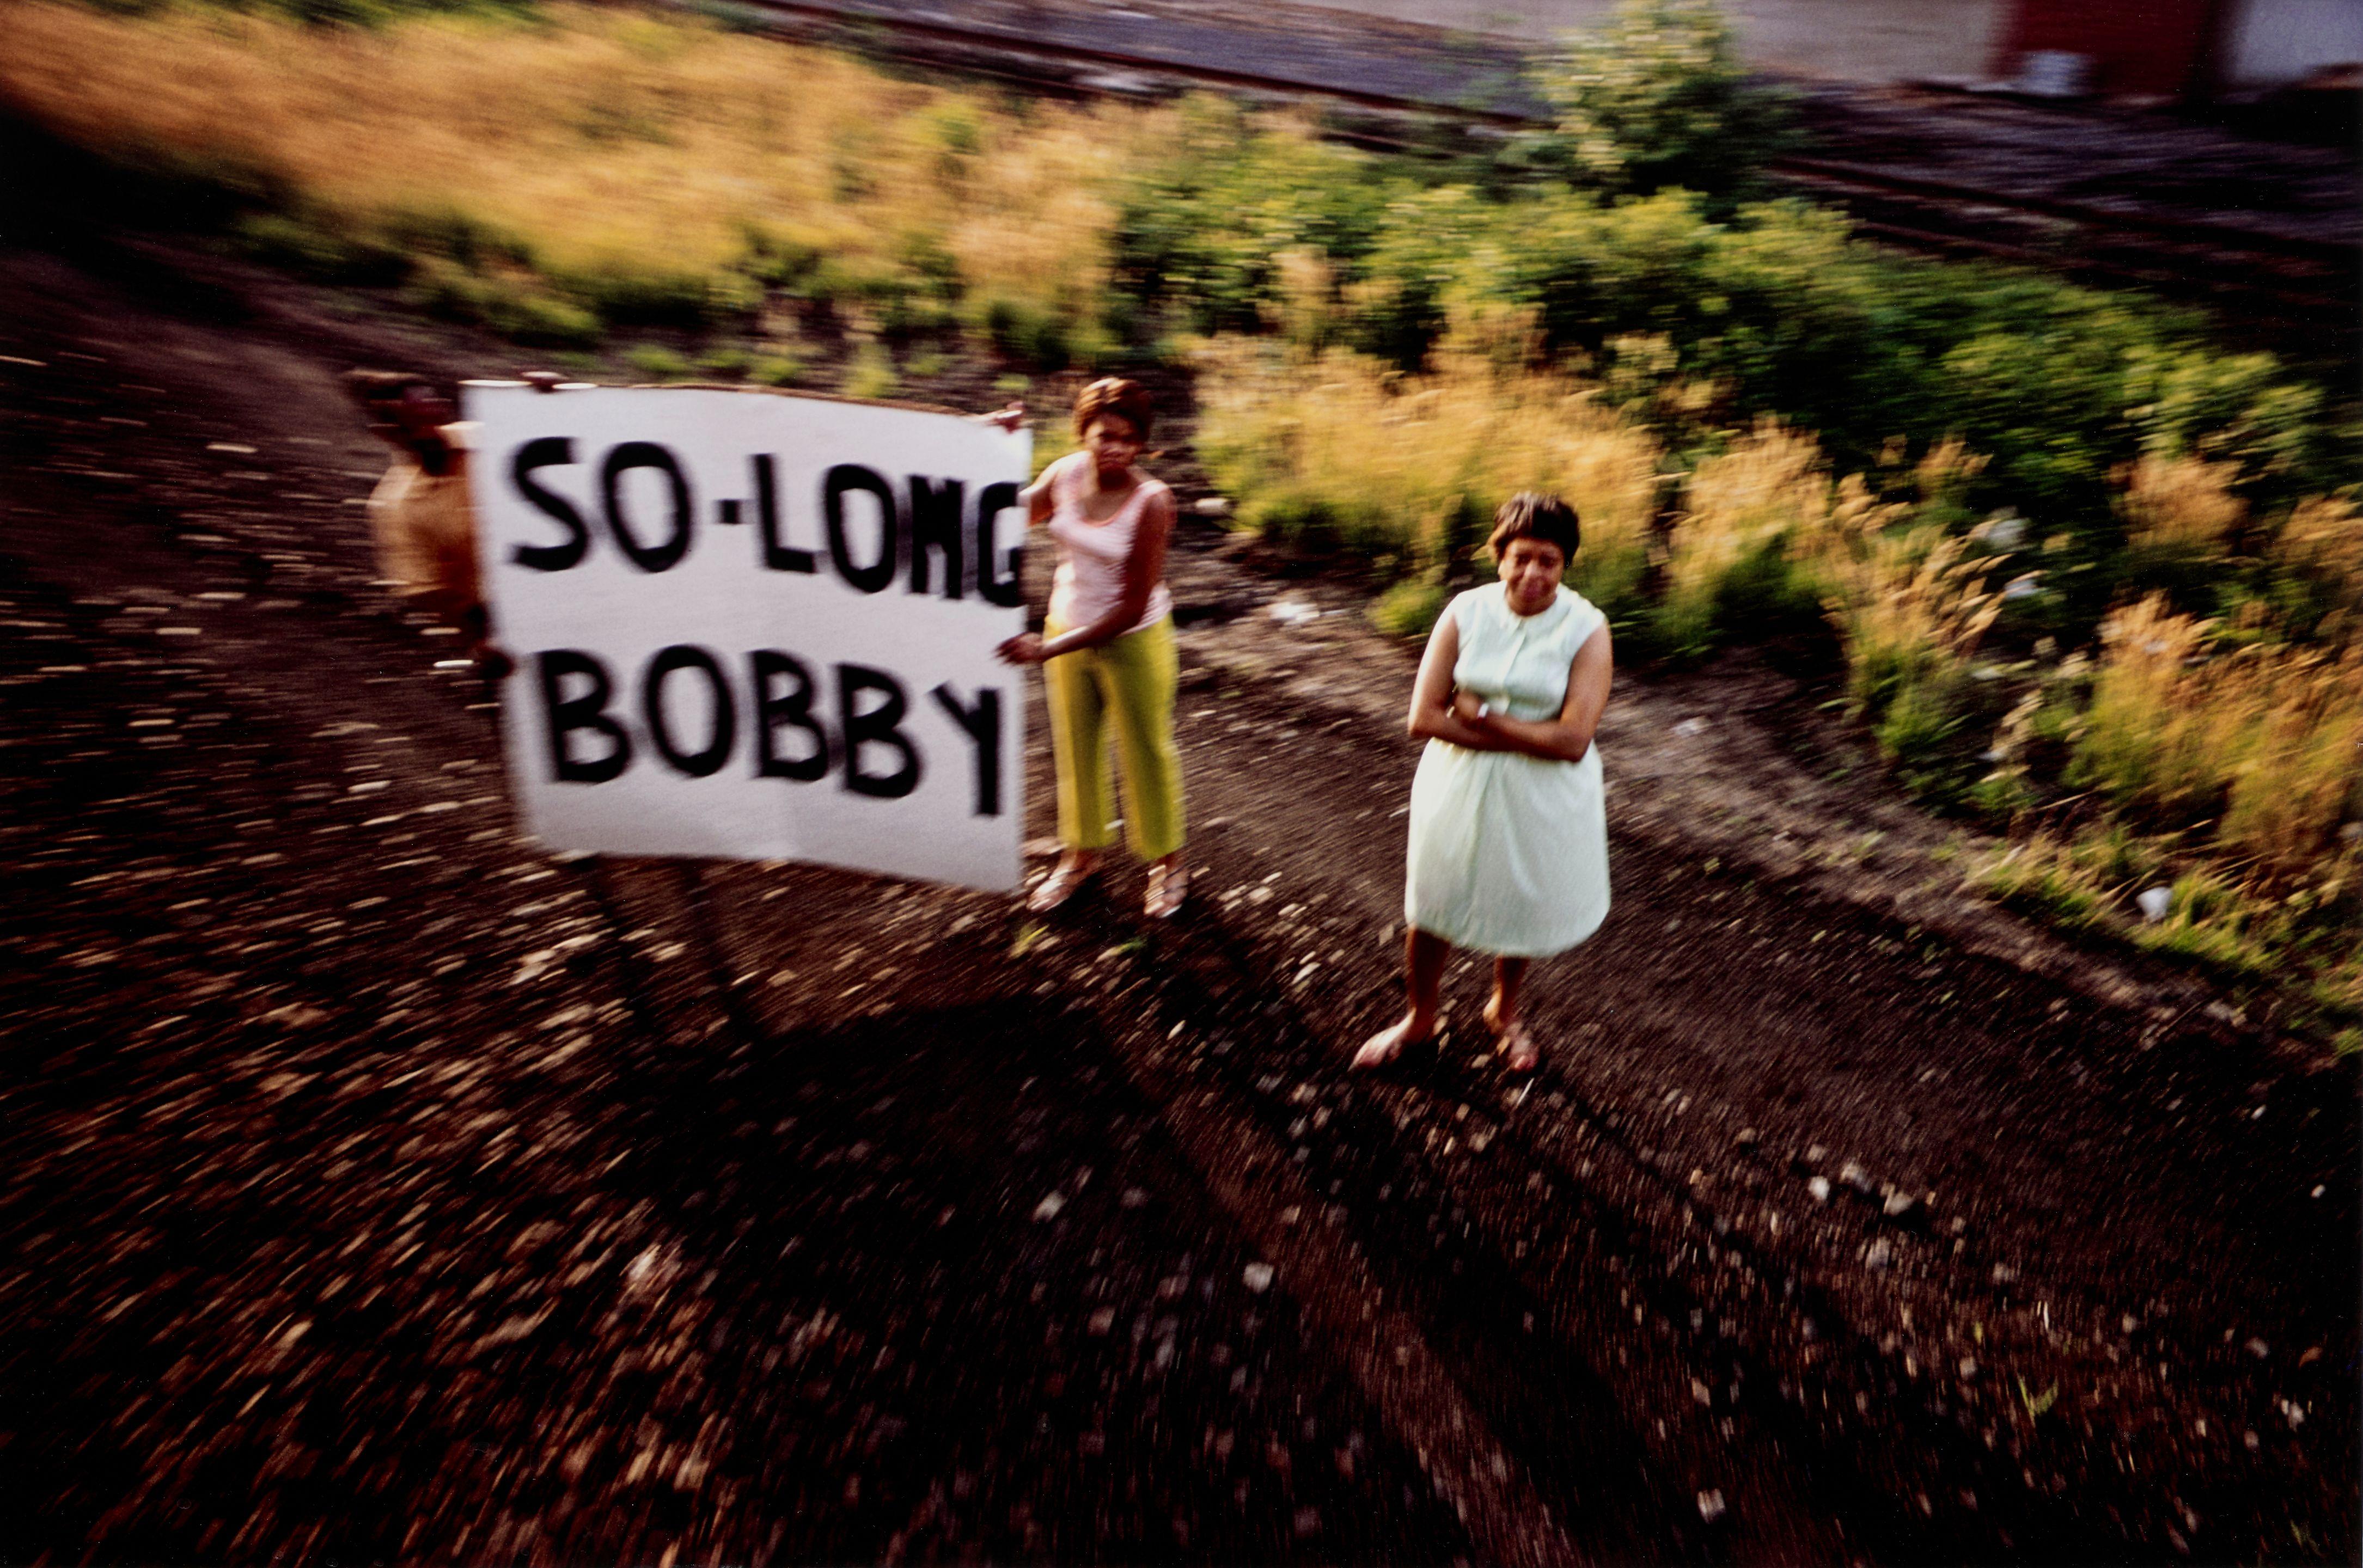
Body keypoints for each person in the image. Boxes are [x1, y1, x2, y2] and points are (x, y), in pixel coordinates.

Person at [1354, 492, 1613, 1075]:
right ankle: (1420, 1016)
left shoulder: (1587, 628)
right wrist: (1526, 735)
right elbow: (1422, 717)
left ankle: (1504, 1010)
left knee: (1520, 899)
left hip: (1543, 795)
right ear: (1498, 557)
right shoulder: (1464, 612)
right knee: (1435, 899)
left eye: (1547, 560)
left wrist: (1481, 716)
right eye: (1520, 558)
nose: (1532, 574)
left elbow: (1573, 741)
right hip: (1458, 781)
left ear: (1564, 564)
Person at [995, 378, 1188, 919]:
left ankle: (1168, 862)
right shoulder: (1065, 473)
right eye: (1104, 435)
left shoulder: (1152, 502)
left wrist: (1048, 650)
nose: (1115, 449)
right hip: (1066, 626)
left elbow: (1131, 606)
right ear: (1084, 432)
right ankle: (1081, 857)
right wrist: (994, 444)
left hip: (1133, 639)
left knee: (1145, 751)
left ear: (1143, 443)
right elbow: (1001, 510)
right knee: (1075, 749)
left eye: (1128, 439)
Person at [347, 368, 497, 669]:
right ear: (387, 433)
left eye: (436, 416)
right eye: (416, 424)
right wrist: (478, 641)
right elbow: (429, 589)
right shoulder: (395, 505)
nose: (433, 431)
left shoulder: (491, 441)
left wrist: (547, 396)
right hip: (498, 623)